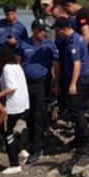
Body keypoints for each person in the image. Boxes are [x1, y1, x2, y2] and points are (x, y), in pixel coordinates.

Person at [54, 18, 89, 154]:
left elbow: (77, 64)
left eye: (58, 30)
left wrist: (72, 84)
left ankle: (88, 140)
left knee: (75, 110)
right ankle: (79, 139)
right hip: (85, 77)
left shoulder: (72, 43)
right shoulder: (78, 36)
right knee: (78, 109)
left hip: (79, 79)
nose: (57, 33)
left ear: (63, 29)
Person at [15, 20, 54, 164]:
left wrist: (56, 86)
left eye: (44, 30)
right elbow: (17, 62)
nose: (42, 32)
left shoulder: (49, 44)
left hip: (42, 82)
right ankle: (33, 141)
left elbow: (56, 65)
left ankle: (38, 147)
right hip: (26, 83)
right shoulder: (24, 43)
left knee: (39, 114)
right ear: (33, 30)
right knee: (28, 114)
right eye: (39, 30)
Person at [0, 45, 28, 174]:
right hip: (22, 104)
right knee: (7, 130)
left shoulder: (7, 68)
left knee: (6, 133)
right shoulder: (15, 65)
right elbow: (0, 82)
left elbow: (11, 87)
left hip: (12, 105)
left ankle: (14, 164)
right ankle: (22, 152)